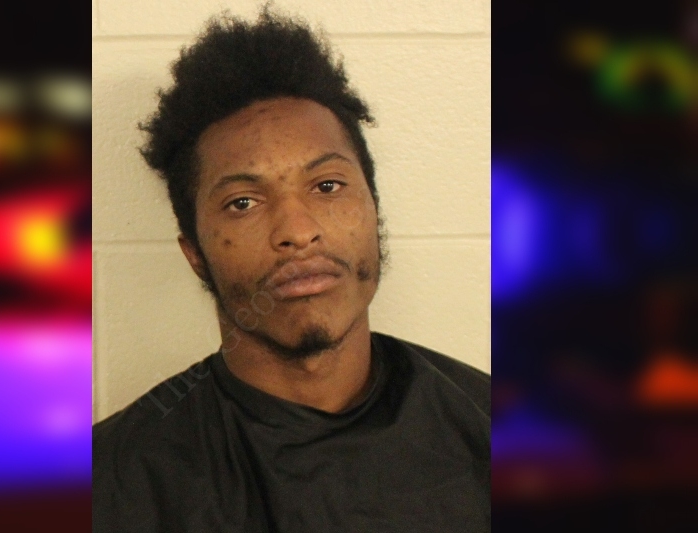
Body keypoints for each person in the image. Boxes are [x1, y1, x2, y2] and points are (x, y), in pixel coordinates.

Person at [92, 7, 490, 532]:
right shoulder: (112, 485)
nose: (298, 232)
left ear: (373, 212)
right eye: (243, 203)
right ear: (195, 254)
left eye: (327, 186)